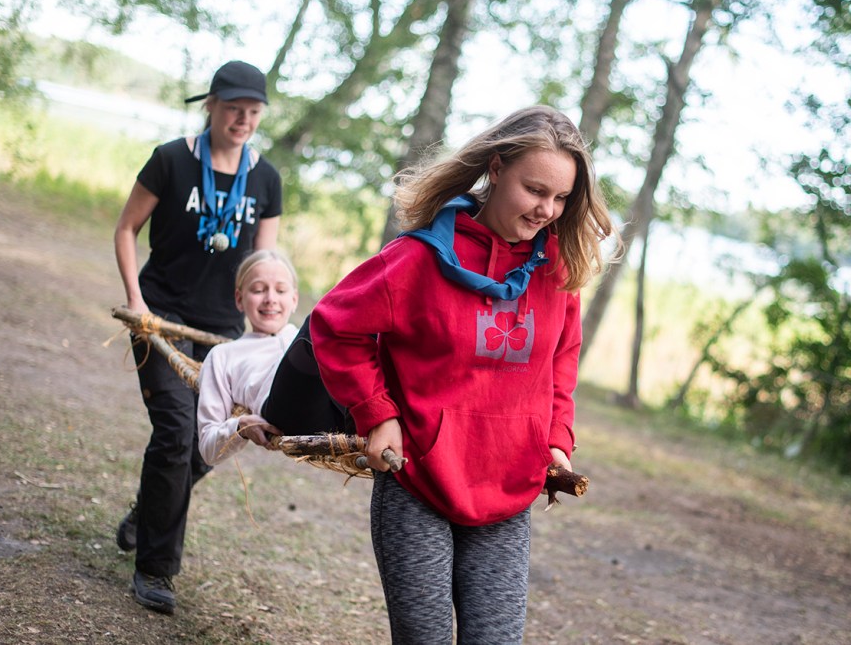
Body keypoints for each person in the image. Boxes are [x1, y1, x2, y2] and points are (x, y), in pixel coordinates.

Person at [308, 105, 619, 643]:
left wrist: (556, 436)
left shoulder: (556, 270)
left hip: (509, 486)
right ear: (496, 168)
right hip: (418, 479)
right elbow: (336, 326)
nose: (546, 209)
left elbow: (561, 358)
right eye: (534, 190)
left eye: (561, 198)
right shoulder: (417, 259)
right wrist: (378, 414)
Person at [113, 59, 282, 615]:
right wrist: (137, 303)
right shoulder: (171, 159)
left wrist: (266, 323)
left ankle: (151, 511)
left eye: (253, 111)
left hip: (223, 330)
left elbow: (263, 262)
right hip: (160, 314)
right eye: (233, 108)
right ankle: (156, 571)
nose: (243, 119)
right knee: (175, 431)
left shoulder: (266, 179)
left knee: (215, 439)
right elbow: (126, 228)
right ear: (210, 105)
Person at [198, 250, 352, 466]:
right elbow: (207, 447)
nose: (270, 299)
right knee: (322, 320)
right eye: (258, 290)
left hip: (343, 410)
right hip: (287, 410)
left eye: (280, 290)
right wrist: (239, 427)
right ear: (239, 299)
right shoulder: (223, 355)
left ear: (294, 299)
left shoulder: (300, 338)